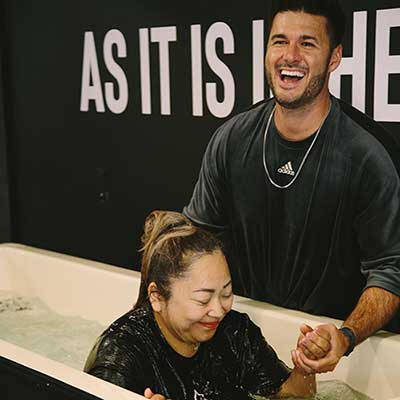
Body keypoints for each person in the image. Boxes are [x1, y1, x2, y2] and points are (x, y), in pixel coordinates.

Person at [183, 0, 400, 374]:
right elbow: (195, 242)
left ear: (334, 58)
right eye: (279, 41)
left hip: (326, 353)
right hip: (241, 342)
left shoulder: (367, 156)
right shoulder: (231, 140)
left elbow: (390, 270)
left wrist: (345, 336)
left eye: (308, 44)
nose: (291, 56)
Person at [84, 211, 316, 399]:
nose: (218, 310)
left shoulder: (236, 333)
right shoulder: (120, 357)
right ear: (156, 297)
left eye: (226, 293)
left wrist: (305, 368)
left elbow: (290, 396)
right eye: (203, 299)